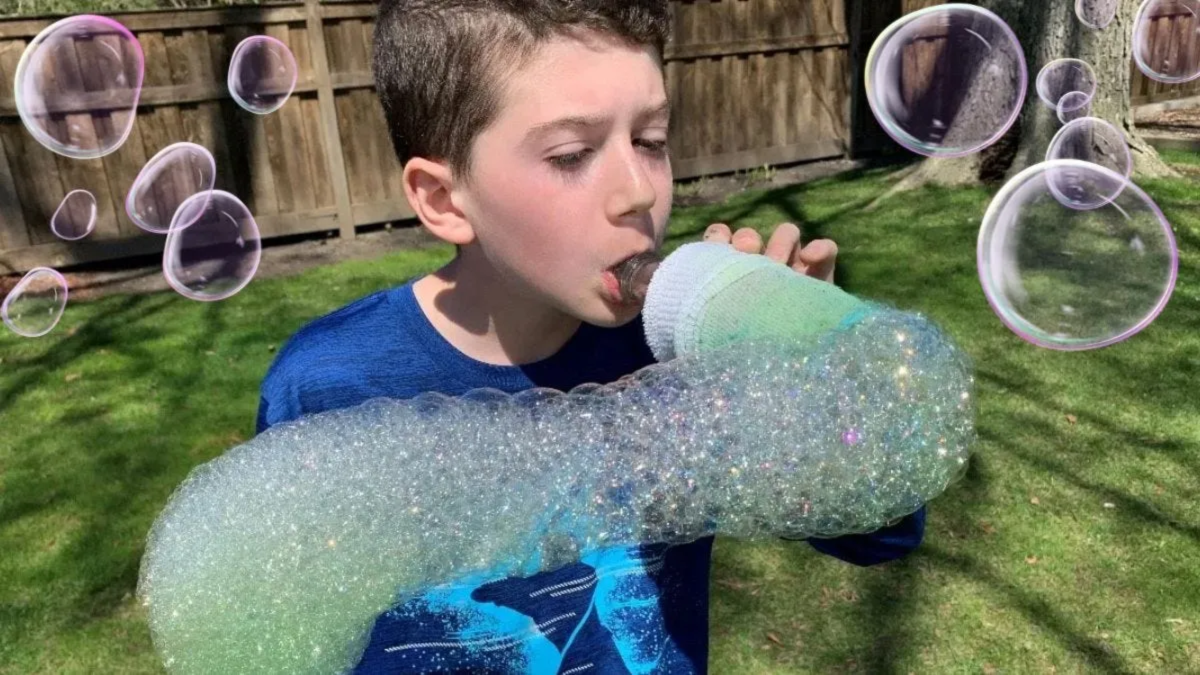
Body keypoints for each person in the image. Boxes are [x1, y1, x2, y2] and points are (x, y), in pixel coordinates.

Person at [256, 1, 925, 672]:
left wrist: (811, 385)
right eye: (573, 154)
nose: (637, 191)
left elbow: (884, 535)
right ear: (444, 198)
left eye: (652, 140)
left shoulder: (681, 354)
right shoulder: (327, 384)